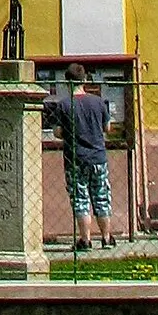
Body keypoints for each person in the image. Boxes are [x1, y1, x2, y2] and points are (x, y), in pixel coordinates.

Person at [55, 70, 116, 253]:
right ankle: (106, 237)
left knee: (81, 199)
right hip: (98, 156)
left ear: (67, 82)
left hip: (76, 157)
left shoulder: (64, 104)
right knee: (101, 196)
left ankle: (85, 239)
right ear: (84, 80)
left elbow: (58, 132)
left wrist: (71, 132)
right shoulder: (97, 102)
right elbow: (107, 127)